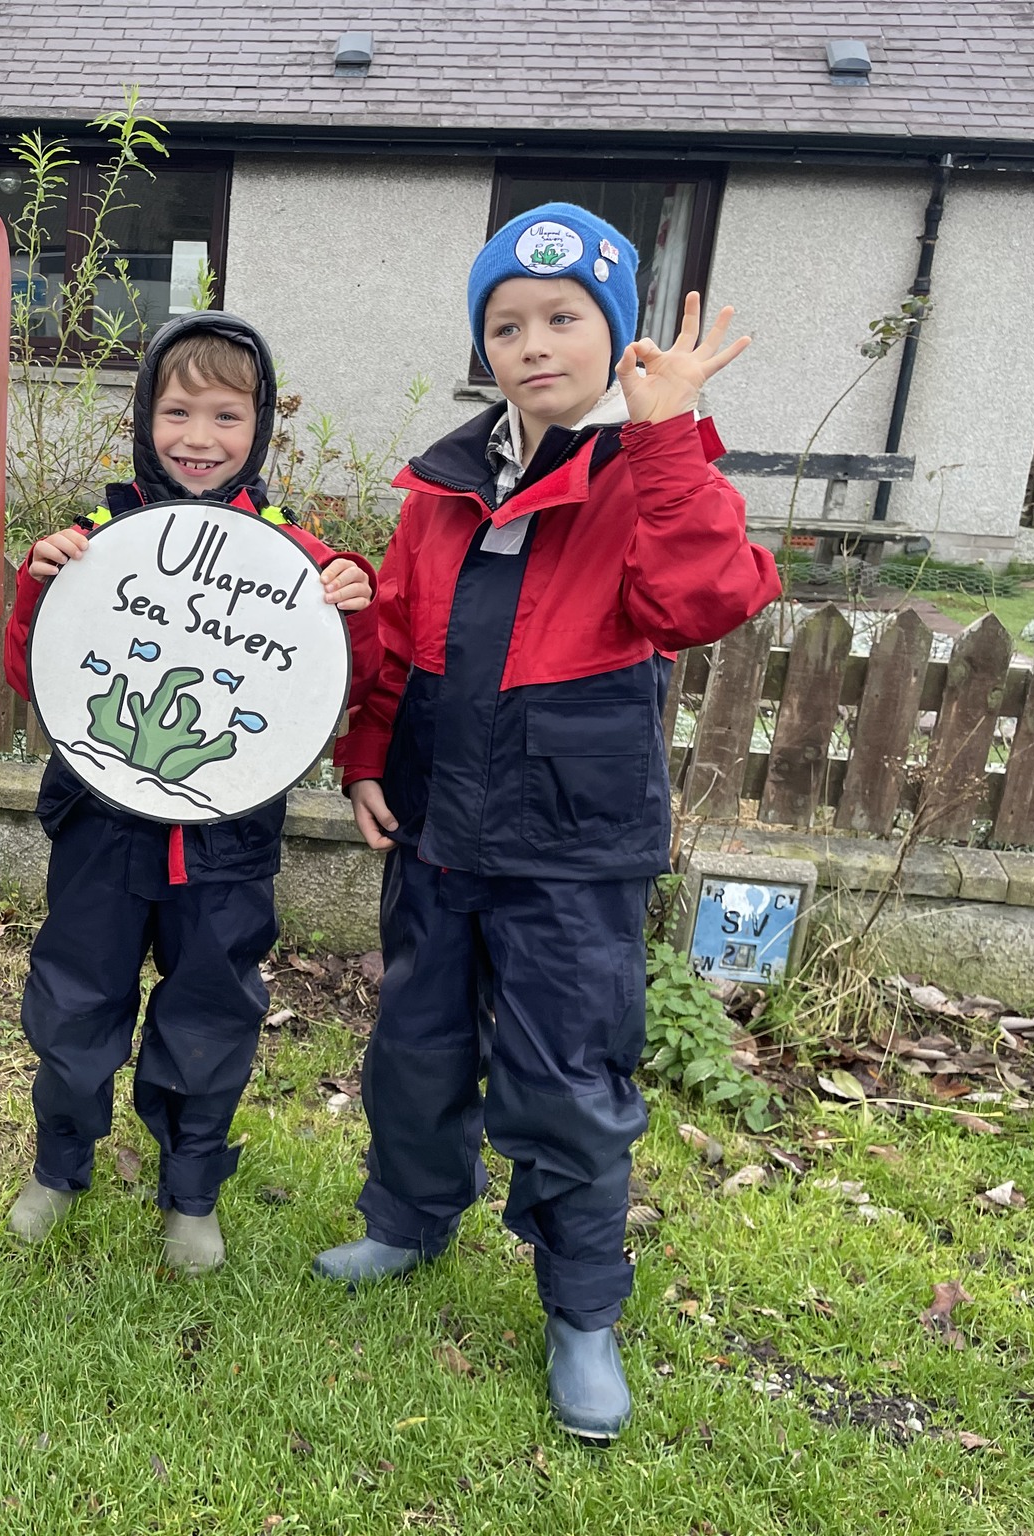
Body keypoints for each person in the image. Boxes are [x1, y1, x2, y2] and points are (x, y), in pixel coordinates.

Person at [311, 203, 780, 1441]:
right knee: (414, 1049)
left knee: (567, 1079)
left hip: (571, 848)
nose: (533, 344)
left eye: (563, 319)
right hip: (435, 833)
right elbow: (399, 638)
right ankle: (408, 1221)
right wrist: (366, 756)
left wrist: (665, 436)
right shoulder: (443, 485)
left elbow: (703, 599)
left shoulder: (648, 474)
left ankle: (579, 1312)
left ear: (614, 336)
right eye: (506, 323)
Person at [1, 311, 376, 1275]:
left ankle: (193, 1191)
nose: (198, 438)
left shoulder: (295, 558)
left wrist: (353, 607)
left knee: (212, 1010)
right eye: (176, 412)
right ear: (143, 416)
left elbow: (344, 686)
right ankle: (58, 1166)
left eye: (226, 416)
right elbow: (28, 674)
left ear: (260, 427)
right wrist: (39, 587)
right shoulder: (94, 542)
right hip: (100, 831)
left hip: (227, 844)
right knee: (75, 1000)